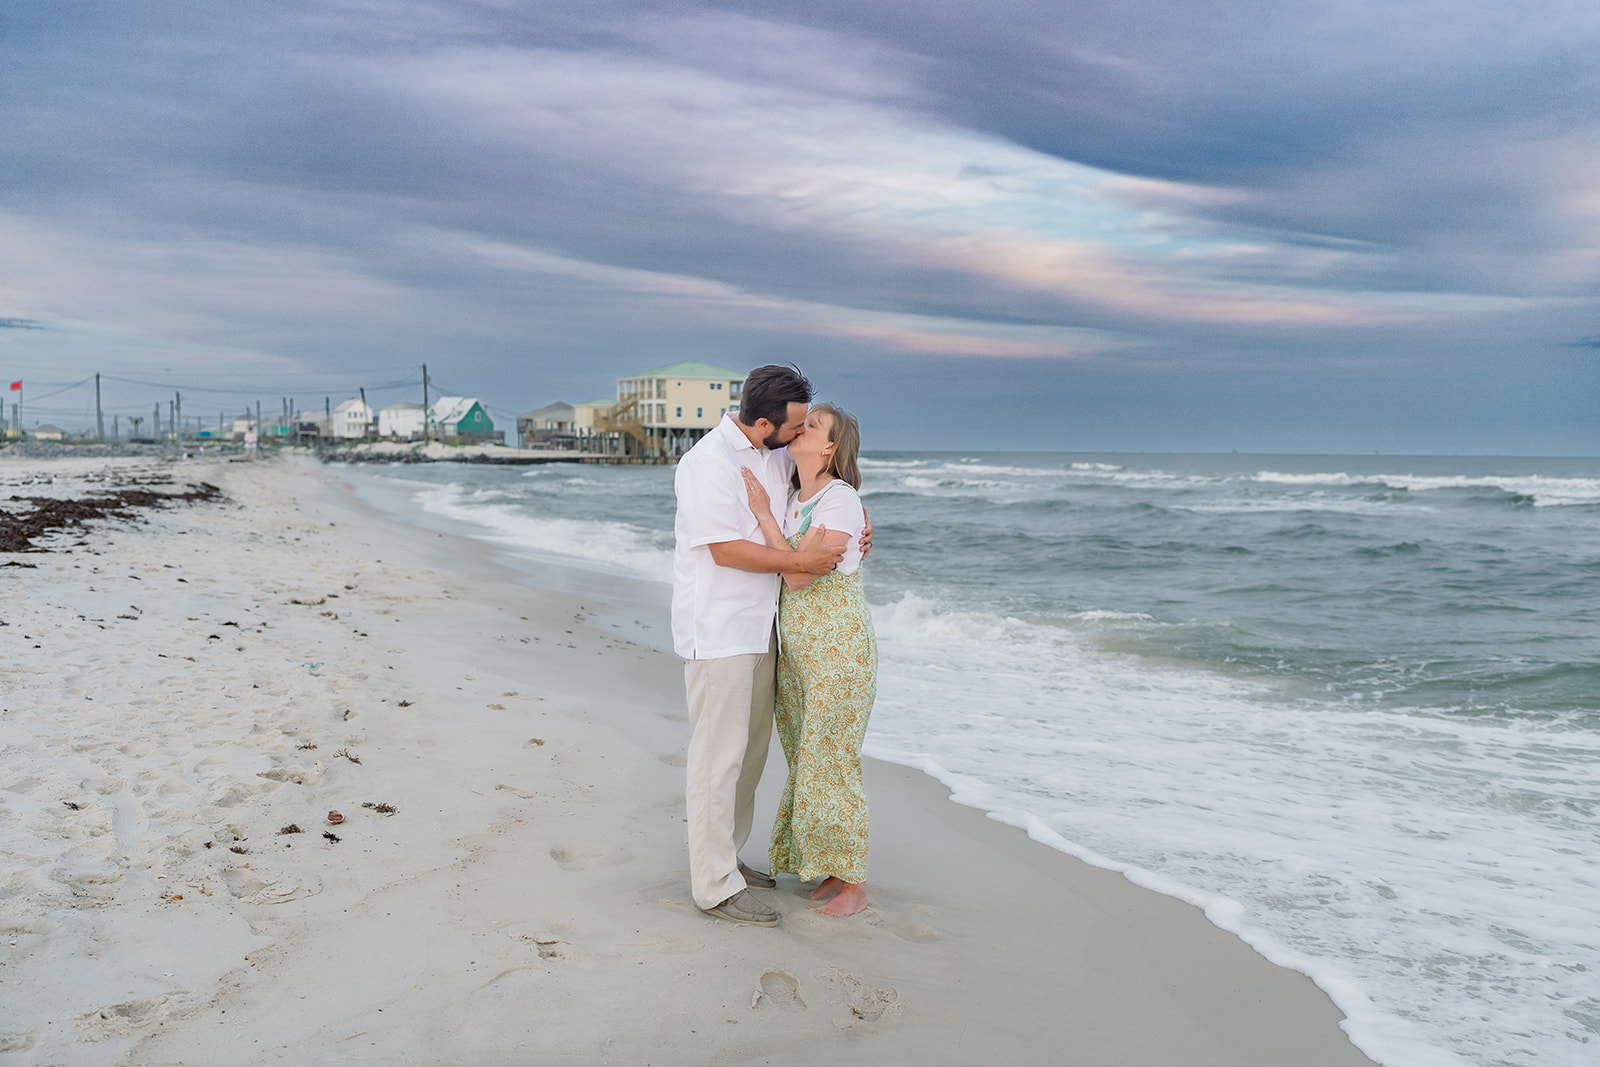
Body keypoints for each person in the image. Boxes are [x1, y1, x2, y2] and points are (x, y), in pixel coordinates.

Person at [672, 365, 843, 927]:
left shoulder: (773, 453)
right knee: (717, 759)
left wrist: (854, 532)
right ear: (763, 421)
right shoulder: (706, 464)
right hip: (718, 628)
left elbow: (815, 503)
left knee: (749, 755)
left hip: (763, 624)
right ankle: (714, 887)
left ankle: (730, 860)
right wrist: (799, 563)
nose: (799, 437)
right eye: (792, 428)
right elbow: (724, 549)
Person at [740, 403, 876, 917]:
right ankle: (829, 869)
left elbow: (798, 576)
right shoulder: (798, 495)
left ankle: (855, 884)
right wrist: (781, 530)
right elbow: (795, 563)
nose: (803, 427)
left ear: (829, 449)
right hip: (799, 651)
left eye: (814, 426)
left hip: (838, 649)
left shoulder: (839, 500)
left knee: (832, 760)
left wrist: (763, 519)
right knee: (807, 759)